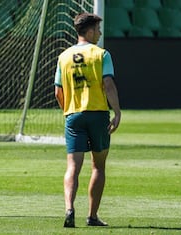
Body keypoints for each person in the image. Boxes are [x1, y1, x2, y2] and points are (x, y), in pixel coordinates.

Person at [54, 13, 121, 227]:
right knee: (98, 166)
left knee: (73, 166)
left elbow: (57, 92)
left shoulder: (63, 56)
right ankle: (92, 216)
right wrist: (117, 112)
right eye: (98, 30)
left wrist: (70, 111)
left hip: (73, 114)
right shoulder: (101, 54)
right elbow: (108, 84)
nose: (100, 34)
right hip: (98, 113)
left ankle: (69, 209)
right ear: (90, 31)